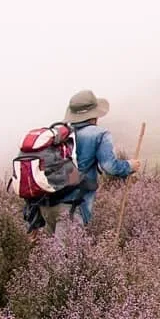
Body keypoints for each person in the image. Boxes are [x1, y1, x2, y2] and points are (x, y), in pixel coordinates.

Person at [37, 90, 141, 233]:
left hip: (46, 205)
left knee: (51, 254)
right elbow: (110, 167)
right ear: (94, 115)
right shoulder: (99, 134)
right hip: (73, 206)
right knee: (70, 254)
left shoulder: (59, 135)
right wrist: (129, 166)